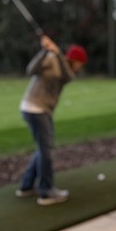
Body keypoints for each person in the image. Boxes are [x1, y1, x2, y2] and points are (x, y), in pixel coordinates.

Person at [16, 35, 88, 205]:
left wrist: (57, 54)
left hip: (41, 110)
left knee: (43, 148)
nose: (81, 67)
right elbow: (30, 70)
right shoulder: (50, 59)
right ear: (75, 60)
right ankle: (46, 192)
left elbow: (67, 76)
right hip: (35, 108)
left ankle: (26, 186)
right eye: (81, 63)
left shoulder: (66, 70)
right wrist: (45, 51)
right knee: (46, 150)